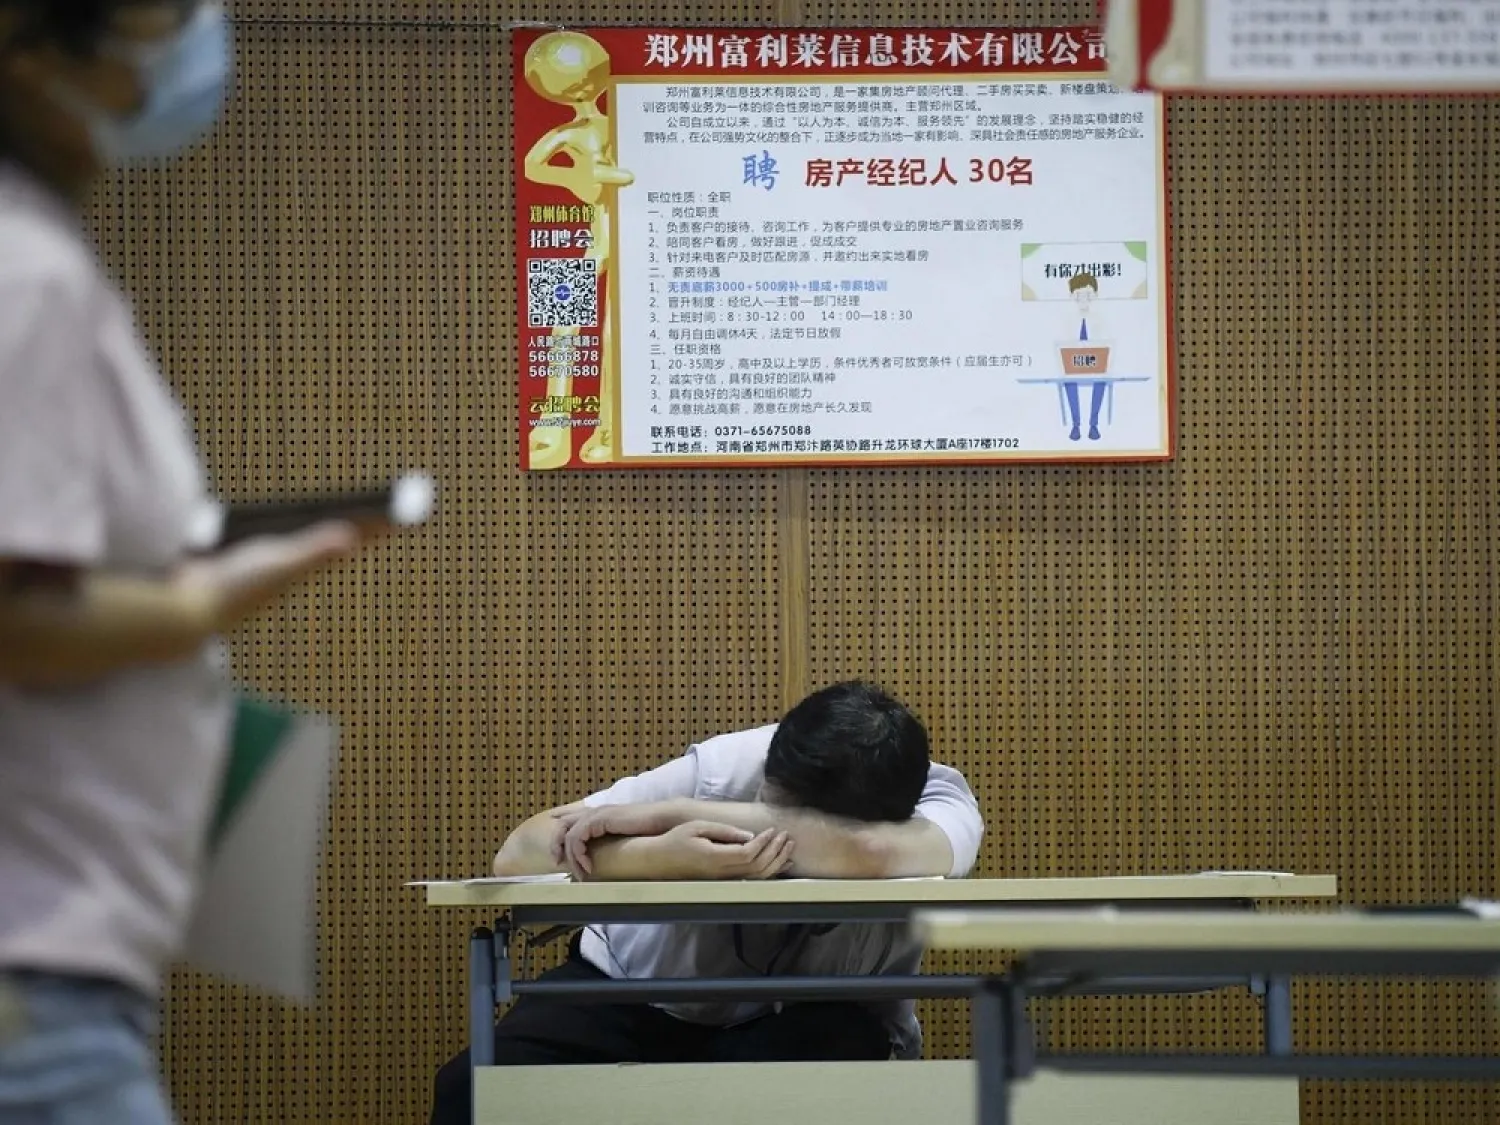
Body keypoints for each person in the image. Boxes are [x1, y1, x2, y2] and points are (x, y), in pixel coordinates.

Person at [0, 3, 374, 1123]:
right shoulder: (26, 270)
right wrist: (197, 603)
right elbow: (19, 619)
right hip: (31, 968)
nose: (189, 45)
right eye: (161, 16)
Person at [429, 680, 985, 1125]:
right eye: (769, 798)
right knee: (472, 1090)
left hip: (793, 1017)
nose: (766, 803)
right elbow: (519, 854)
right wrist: (664, 857)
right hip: (629, 989)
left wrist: (673, 814)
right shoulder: (732, 764)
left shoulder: (936, 798)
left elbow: (869, 851)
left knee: (834, 1057)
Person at [1062, 271, 1108, 442]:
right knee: (1067, 380)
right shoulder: (1067, 321)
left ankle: (1093, 425)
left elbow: (1106, 346)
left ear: (1095, 295)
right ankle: (1076, 425)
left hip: (1096, 365)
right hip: (1072, 365)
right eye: (1078, 294)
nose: (1083, 298)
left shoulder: (1100, 320)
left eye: (1088, 294)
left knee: (1102, 380)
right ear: (1071, 295)